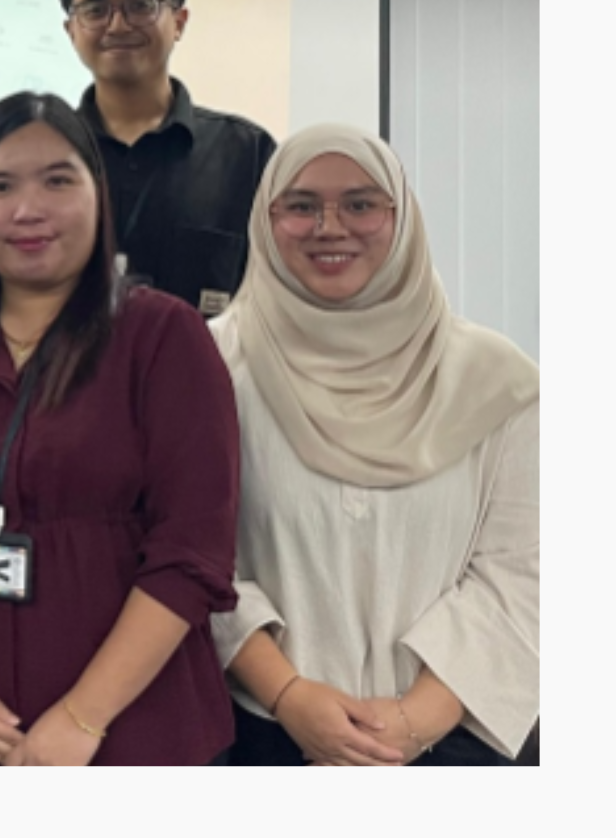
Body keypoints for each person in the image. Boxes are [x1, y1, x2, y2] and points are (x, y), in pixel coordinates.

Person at [0, 91, 239, 766]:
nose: (28, 210)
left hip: (134, 735)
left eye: (58, 181)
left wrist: (84, 718)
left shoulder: (163, 336)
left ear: (98, 196)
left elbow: (192, 554)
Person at [208, 125, 539, 766]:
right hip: (260, 735)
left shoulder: (499, 381)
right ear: (265, 221)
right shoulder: (209, 367)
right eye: (301, 206)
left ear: (402, 216)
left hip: (453, 742)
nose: (330, 227)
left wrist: (408, 725)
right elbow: (196, 559)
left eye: (361, 204)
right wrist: (290, 696)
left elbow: (523, 572)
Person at [59, 0, 276, 317]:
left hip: (207, 357)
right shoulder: (47, 150)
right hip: (65, 357)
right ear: (72, 31)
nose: (118, 24)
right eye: (95, 9)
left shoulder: (247, 153)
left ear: (179, 21)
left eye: (140, 5)